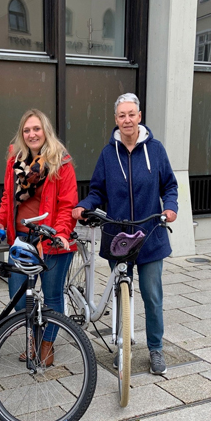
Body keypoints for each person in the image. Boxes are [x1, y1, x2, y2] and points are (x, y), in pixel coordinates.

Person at [73, 93, 178, 375]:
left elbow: (169, 185)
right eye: (122, 115)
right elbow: (97, 190)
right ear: (116, 120)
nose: (127, 120)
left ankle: (155, 348)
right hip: (117, 237)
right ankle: (122, 346)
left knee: (152, 295)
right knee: (122, 294)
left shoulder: (155, 150)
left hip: (151, 234)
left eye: (131, 114)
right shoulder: (108, 154)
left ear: (139, 116)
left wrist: (170, 208)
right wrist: (84, 205)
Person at [0, 109, 78, 366]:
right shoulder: (15, 162)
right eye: (27, 130)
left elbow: (67, 204)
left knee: (52, 296)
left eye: (36, 129)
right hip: (22, 241)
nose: (32, 134)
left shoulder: (61, 162)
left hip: (51, 239)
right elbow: (8, 199)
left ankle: (46, 346)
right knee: (18, 296)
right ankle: (34, 337)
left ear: (45, 131)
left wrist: (60, 233)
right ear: (22, 134)